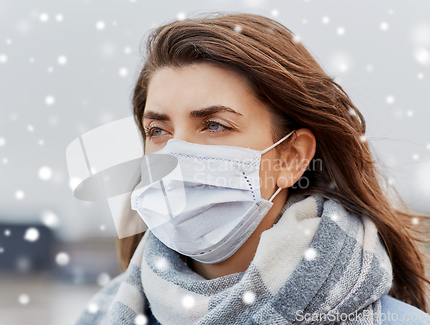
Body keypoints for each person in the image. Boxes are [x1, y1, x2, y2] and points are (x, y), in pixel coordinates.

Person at [76, 12, 430, 324]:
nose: (174, 155)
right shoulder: (99, 316)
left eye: (214, 125)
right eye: (158, 131)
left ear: (292, 157)